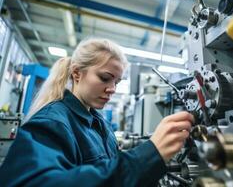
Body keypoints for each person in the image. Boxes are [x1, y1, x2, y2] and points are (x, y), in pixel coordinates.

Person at [0, 37, 193, 187]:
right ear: (77, 73)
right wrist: (146, 156)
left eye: (116, 82)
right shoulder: (53, 122)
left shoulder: (101, 124)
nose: (113, 89)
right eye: (105, 78)